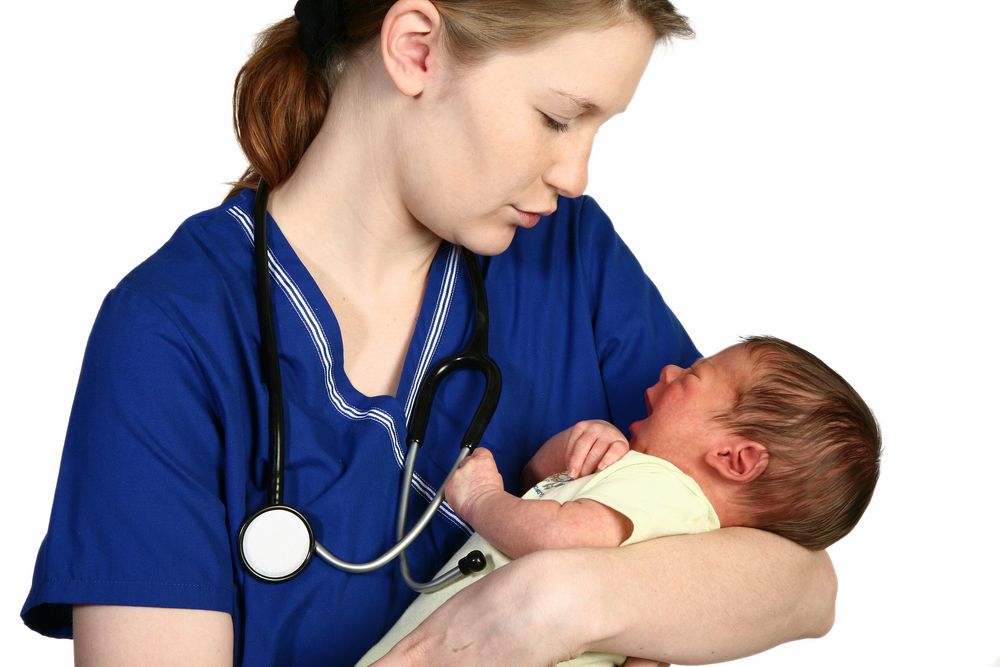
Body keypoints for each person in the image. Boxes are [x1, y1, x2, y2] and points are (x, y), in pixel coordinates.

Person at [21, 1, 837, 665]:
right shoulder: (171, 331)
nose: (575, 174)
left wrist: (558, 604)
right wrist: (652, 607)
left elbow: (800, 577)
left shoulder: (569, 255)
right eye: (559, 117)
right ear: (416, 49)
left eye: (598, 130)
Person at [360, 336, 880, 665]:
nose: (670, 370)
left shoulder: (663, 486)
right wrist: (564, 454)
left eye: (693, 377)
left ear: (735, 459)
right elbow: (547, 492)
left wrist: (481, 498)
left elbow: (554, 535)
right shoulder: (682, 536)